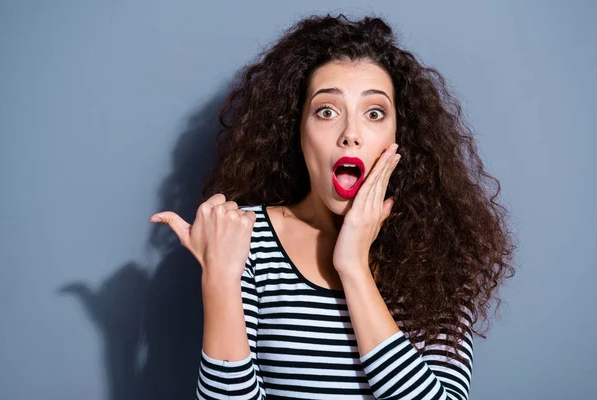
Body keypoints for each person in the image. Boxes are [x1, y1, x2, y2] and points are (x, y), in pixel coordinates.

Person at [150, 13, 516, 400]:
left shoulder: (440, 255)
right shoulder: (246, 238)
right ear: (297, 131)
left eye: (374, 113)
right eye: (327, 111)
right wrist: (220, 278)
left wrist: (353, 267)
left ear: (400, 134)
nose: (351, 135)